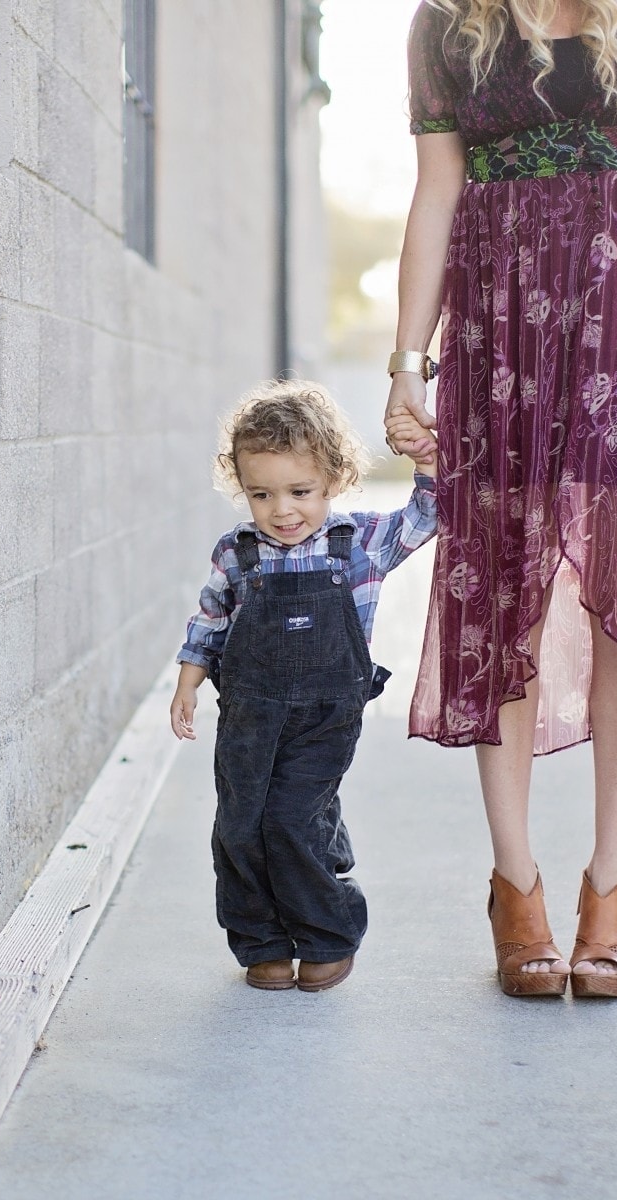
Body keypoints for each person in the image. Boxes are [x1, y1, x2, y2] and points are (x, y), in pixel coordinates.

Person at [385, 0, 617, 999]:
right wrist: (405, 366)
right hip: (501, 328)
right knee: (502, 593)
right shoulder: (446, 23)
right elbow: (435, 194)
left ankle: (609, 888)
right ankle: (517, 886)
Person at [171, 381, 438, 992]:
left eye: (300, 491)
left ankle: (326, 934)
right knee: (242, 822)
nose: (282, 510)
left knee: (293, 817)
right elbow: (210, 620)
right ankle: (261, 939)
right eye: (261, 494)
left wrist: (426, 460)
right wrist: (187, 685)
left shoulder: (360, 543)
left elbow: (428, 515)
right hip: (249, 714)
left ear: (335, 478)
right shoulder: (236, 554)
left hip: (326, 712)